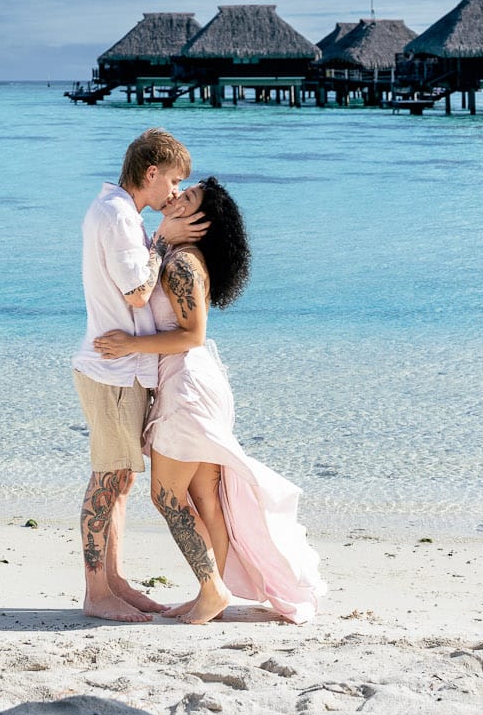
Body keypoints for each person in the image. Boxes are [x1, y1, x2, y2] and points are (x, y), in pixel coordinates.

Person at [94, 177, 325, 624]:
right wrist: (160, 241)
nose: (177, 195)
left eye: (190, 197)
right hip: (195, 381)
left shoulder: (182, 264)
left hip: (188, 385)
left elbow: (192, 334)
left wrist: (127, 344)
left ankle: (212, 589)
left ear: (201, 221)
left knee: (166, 495)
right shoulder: (181, 257)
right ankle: (211, 595)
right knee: (206, 500)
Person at [73, 128, 208, 623]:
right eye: (172, 181)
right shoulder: (117, 215)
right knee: (108, 478)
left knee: (122, 479)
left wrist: (154, 241)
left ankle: (113, 579)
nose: (174, 192)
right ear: (151, 173)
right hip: (112, 370)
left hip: (122, 369)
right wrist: (164, 241)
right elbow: (135, 292)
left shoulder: (118, 212)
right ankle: (95, 592)